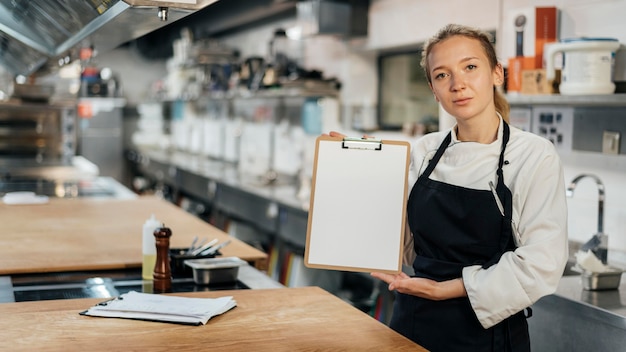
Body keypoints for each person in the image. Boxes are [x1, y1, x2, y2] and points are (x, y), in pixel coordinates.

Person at [332, 24, 568, 351]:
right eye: (442, 75)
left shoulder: (532, 155)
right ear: (433, 89)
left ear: (497, 74)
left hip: (488, 334)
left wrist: (446, 289)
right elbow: (402, 241)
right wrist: (361, 169)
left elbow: (542, 263)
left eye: (470, 67)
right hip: (412, 320)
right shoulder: (424, 151)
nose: (458, 84)